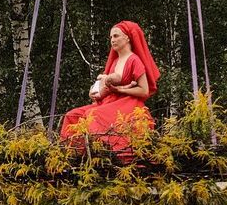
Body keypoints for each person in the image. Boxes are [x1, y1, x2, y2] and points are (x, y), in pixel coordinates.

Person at [59, 21, 160, 157]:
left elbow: (144, 91)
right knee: (72, 115)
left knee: (93, 115)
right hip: (110, 101)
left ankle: (103, 153)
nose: (112, 40)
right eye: (111, 37)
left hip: (128, 104)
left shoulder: (134, 60)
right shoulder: (115, 61)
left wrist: (121, 90)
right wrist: (96, 93)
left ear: (127, 38)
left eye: (116, 36)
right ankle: (72, 155)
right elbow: (106, 87)